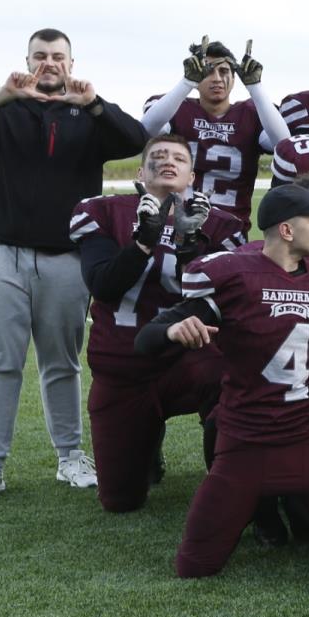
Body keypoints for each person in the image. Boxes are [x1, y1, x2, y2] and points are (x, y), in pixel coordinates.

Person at [135, 183, 309, 577]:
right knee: (195, 565)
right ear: (287, 230)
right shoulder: (235, 275)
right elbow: (145, 340)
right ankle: (264, 516)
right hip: (246, 441)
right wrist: (172, 331)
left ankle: (290, 513)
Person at [0, 28, 150, 502]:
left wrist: (94, 103)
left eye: (58, 56)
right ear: (27, 61)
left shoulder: (90, 117)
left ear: (71, 63)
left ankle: (70, 457)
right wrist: (4, 93)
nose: (50, 63)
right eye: (40, 55)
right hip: (0, 253)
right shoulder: (6, 110)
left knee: (62, 364)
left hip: (66, 257)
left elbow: (135, 137)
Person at [70, 134, 249, 511]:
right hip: (122, 365)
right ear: (140, 172)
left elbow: (217, 299)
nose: (169, 161)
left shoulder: (220, 226)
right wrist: (142, 243)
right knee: (120, 501)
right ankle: (145, 442)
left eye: (179, 158)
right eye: (159, 156)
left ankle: (228, 482)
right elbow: (102, 286)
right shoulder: (104, 211)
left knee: (229, 380)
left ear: (192, 177)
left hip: (188, 359)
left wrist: (188, 247)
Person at [137, 38, 290, 223]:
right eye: (208, 71)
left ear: (234, 77)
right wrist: (186, 82)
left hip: (230, 227)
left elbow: (285, 146)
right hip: (175, 224)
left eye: (224, 71)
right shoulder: (175, 107)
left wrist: (255, 86)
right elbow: (146, 129)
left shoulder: (253, 112)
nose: (217, 78)